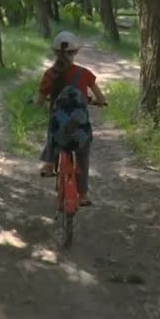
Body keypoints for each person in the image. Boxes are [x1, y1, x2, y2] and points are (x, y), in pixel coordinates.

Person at [33, 30, 107, 206]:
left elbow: (40, 101)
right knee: (83, 156)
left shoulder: (49, 74)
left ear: (55, 52)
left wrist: (38, 102)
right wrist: (99, 102)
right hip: (79, 130)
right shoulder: (84, 73)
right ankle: (83, 195)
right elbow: (101, 98)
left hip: (58, 131)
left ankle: (49, 163)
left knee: (53, 127)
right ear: (76, 52)